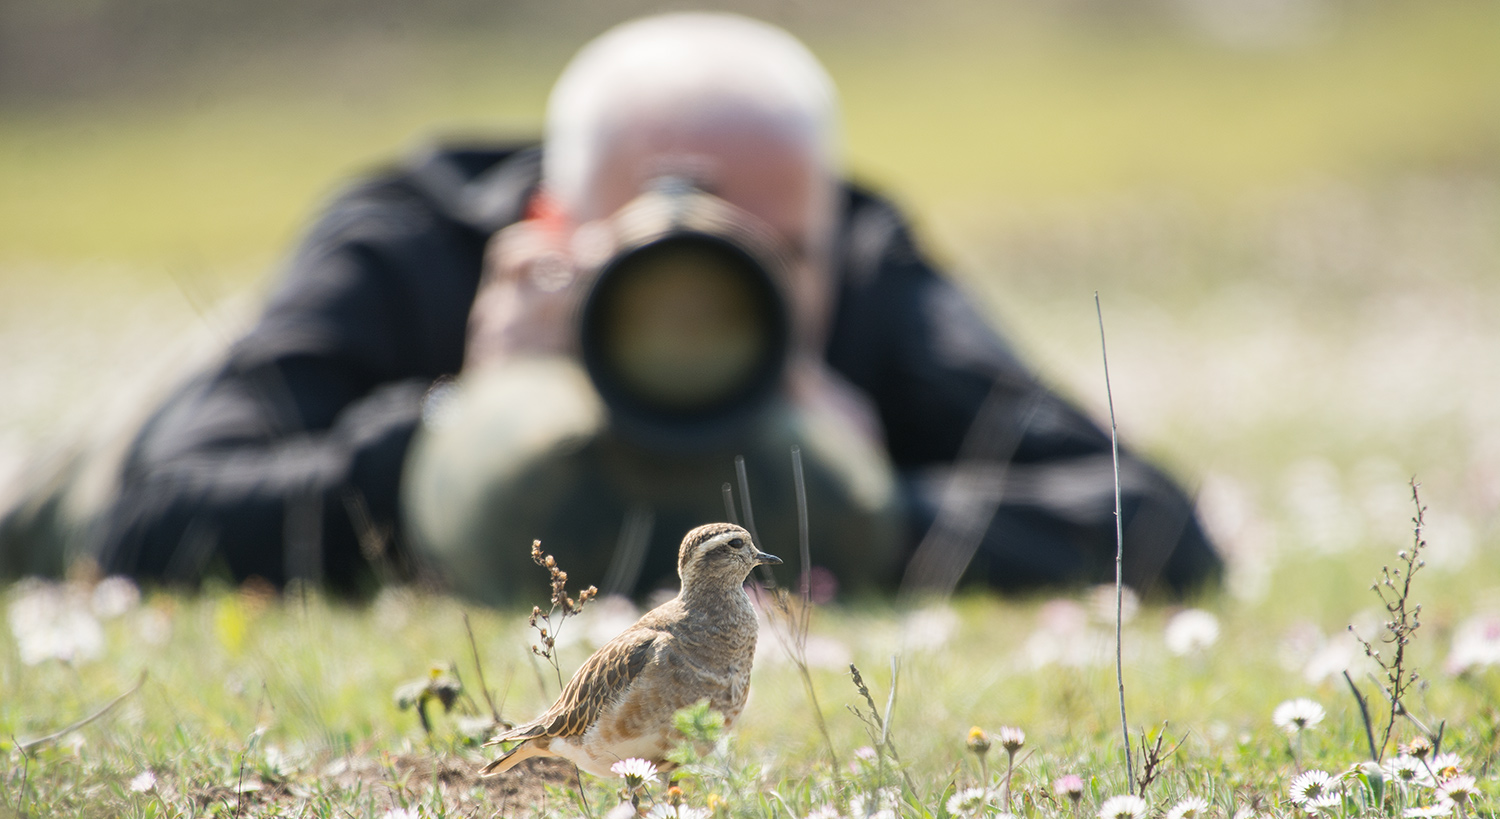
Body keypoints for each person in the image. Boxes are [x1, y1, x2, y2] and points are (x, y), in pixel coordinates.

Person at [2, 13, 1221, 603]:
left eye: (761, 253)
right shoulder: (414, 237)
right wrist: (447, 428)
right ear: (540, 226)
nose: (700, 296)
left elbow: (1156, 522)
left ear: (821, 241)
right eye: (645, 250)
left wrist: (865, 495)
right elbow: (149, 516)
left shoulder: (856, 259)